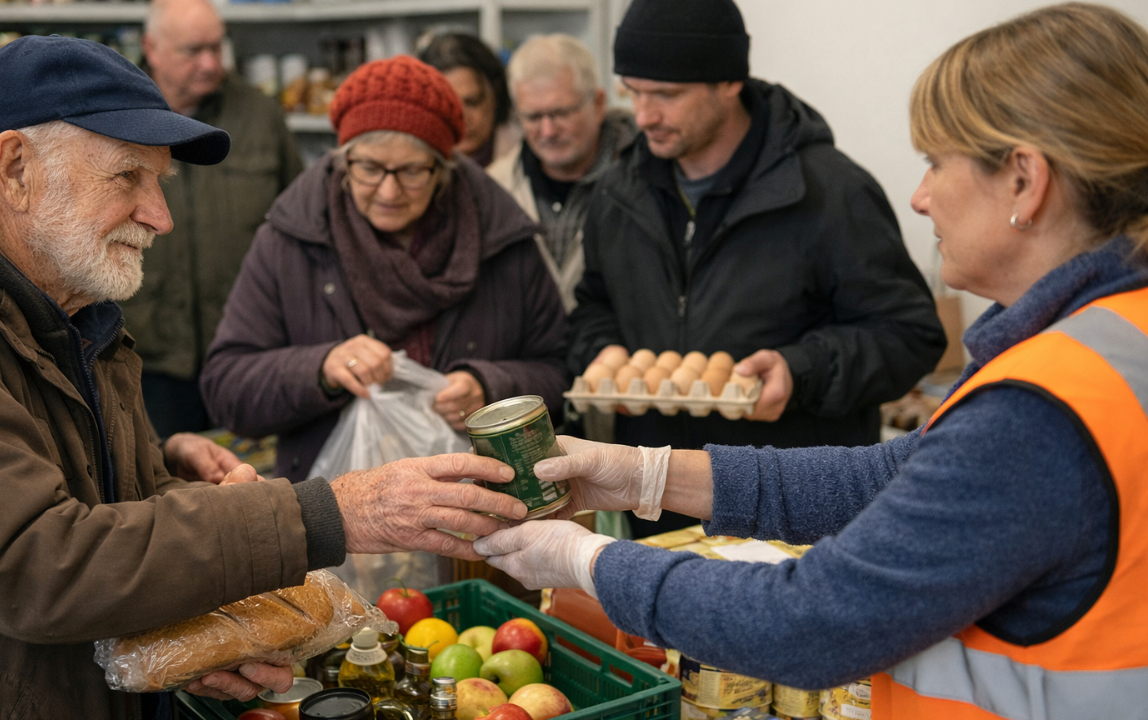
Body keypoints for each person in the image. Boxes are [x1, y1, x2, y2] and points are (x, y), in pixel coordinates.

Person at [475, 5, 1148, 718]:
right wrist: (646, 474)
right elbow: (891, 477)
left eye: (934, 163)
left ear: (1024, 180)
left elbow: (807, 623)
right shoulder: (1108, 336)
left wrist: (585, 561)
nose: (920, 197)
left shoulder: (1037, 411)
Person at [0, 36, 531, 718]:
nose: (161, 215)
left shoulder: (76, 306)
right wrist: (333, 512)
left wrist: (166, 503)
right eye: (129, 176)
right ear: (15, 169)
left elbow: (93, 518)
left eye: (161, 182)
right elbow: (34, 563)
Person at [569, 0, 947, 537]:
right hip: (662, 512)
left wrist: (801, 372)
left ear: (729, 82)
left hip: (791, 515)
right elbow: (594, 306)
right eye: (633, 90)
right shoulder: (619, 193)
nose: (644, 114)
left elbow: (910, 335)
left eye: (666, 95)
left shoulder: (829, 193)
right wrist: (600, 351)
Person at [200, 55, 568, 483]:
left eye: (412, 171)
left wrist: (489, 385)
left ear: (442, 168)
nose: (389, 191)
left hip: (481, 511)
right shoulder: (292, 241)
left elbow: (560, 370)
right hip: (335, 517)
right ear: (342, 161)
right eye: (370, 168)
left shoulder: (502, 239)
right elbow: (226, 389)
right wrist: (320, 368)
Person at [121, 0, 305, 437]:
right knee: (163, 490)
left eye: (216, 47)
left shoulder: (258, 115)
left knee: (255, 488)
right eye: (193, 50)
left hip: (249, 353)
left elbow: (300, 221)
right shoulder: (114, 115)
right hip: (145, 358)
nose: (209, 63)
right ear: (152, 47)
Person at [487, 34, 638, 312]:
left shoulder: (647, 178)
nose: (547, 131)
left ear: (599, 103)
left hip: (622, 352)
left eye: (561, 114)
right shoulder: (496, 187)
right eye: (532, 117)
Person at [418, 32, 520, 167]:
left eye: (472, 102)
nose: (463, 120)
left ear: (496, 93)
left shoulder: (528, 155)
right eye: (449, 106)